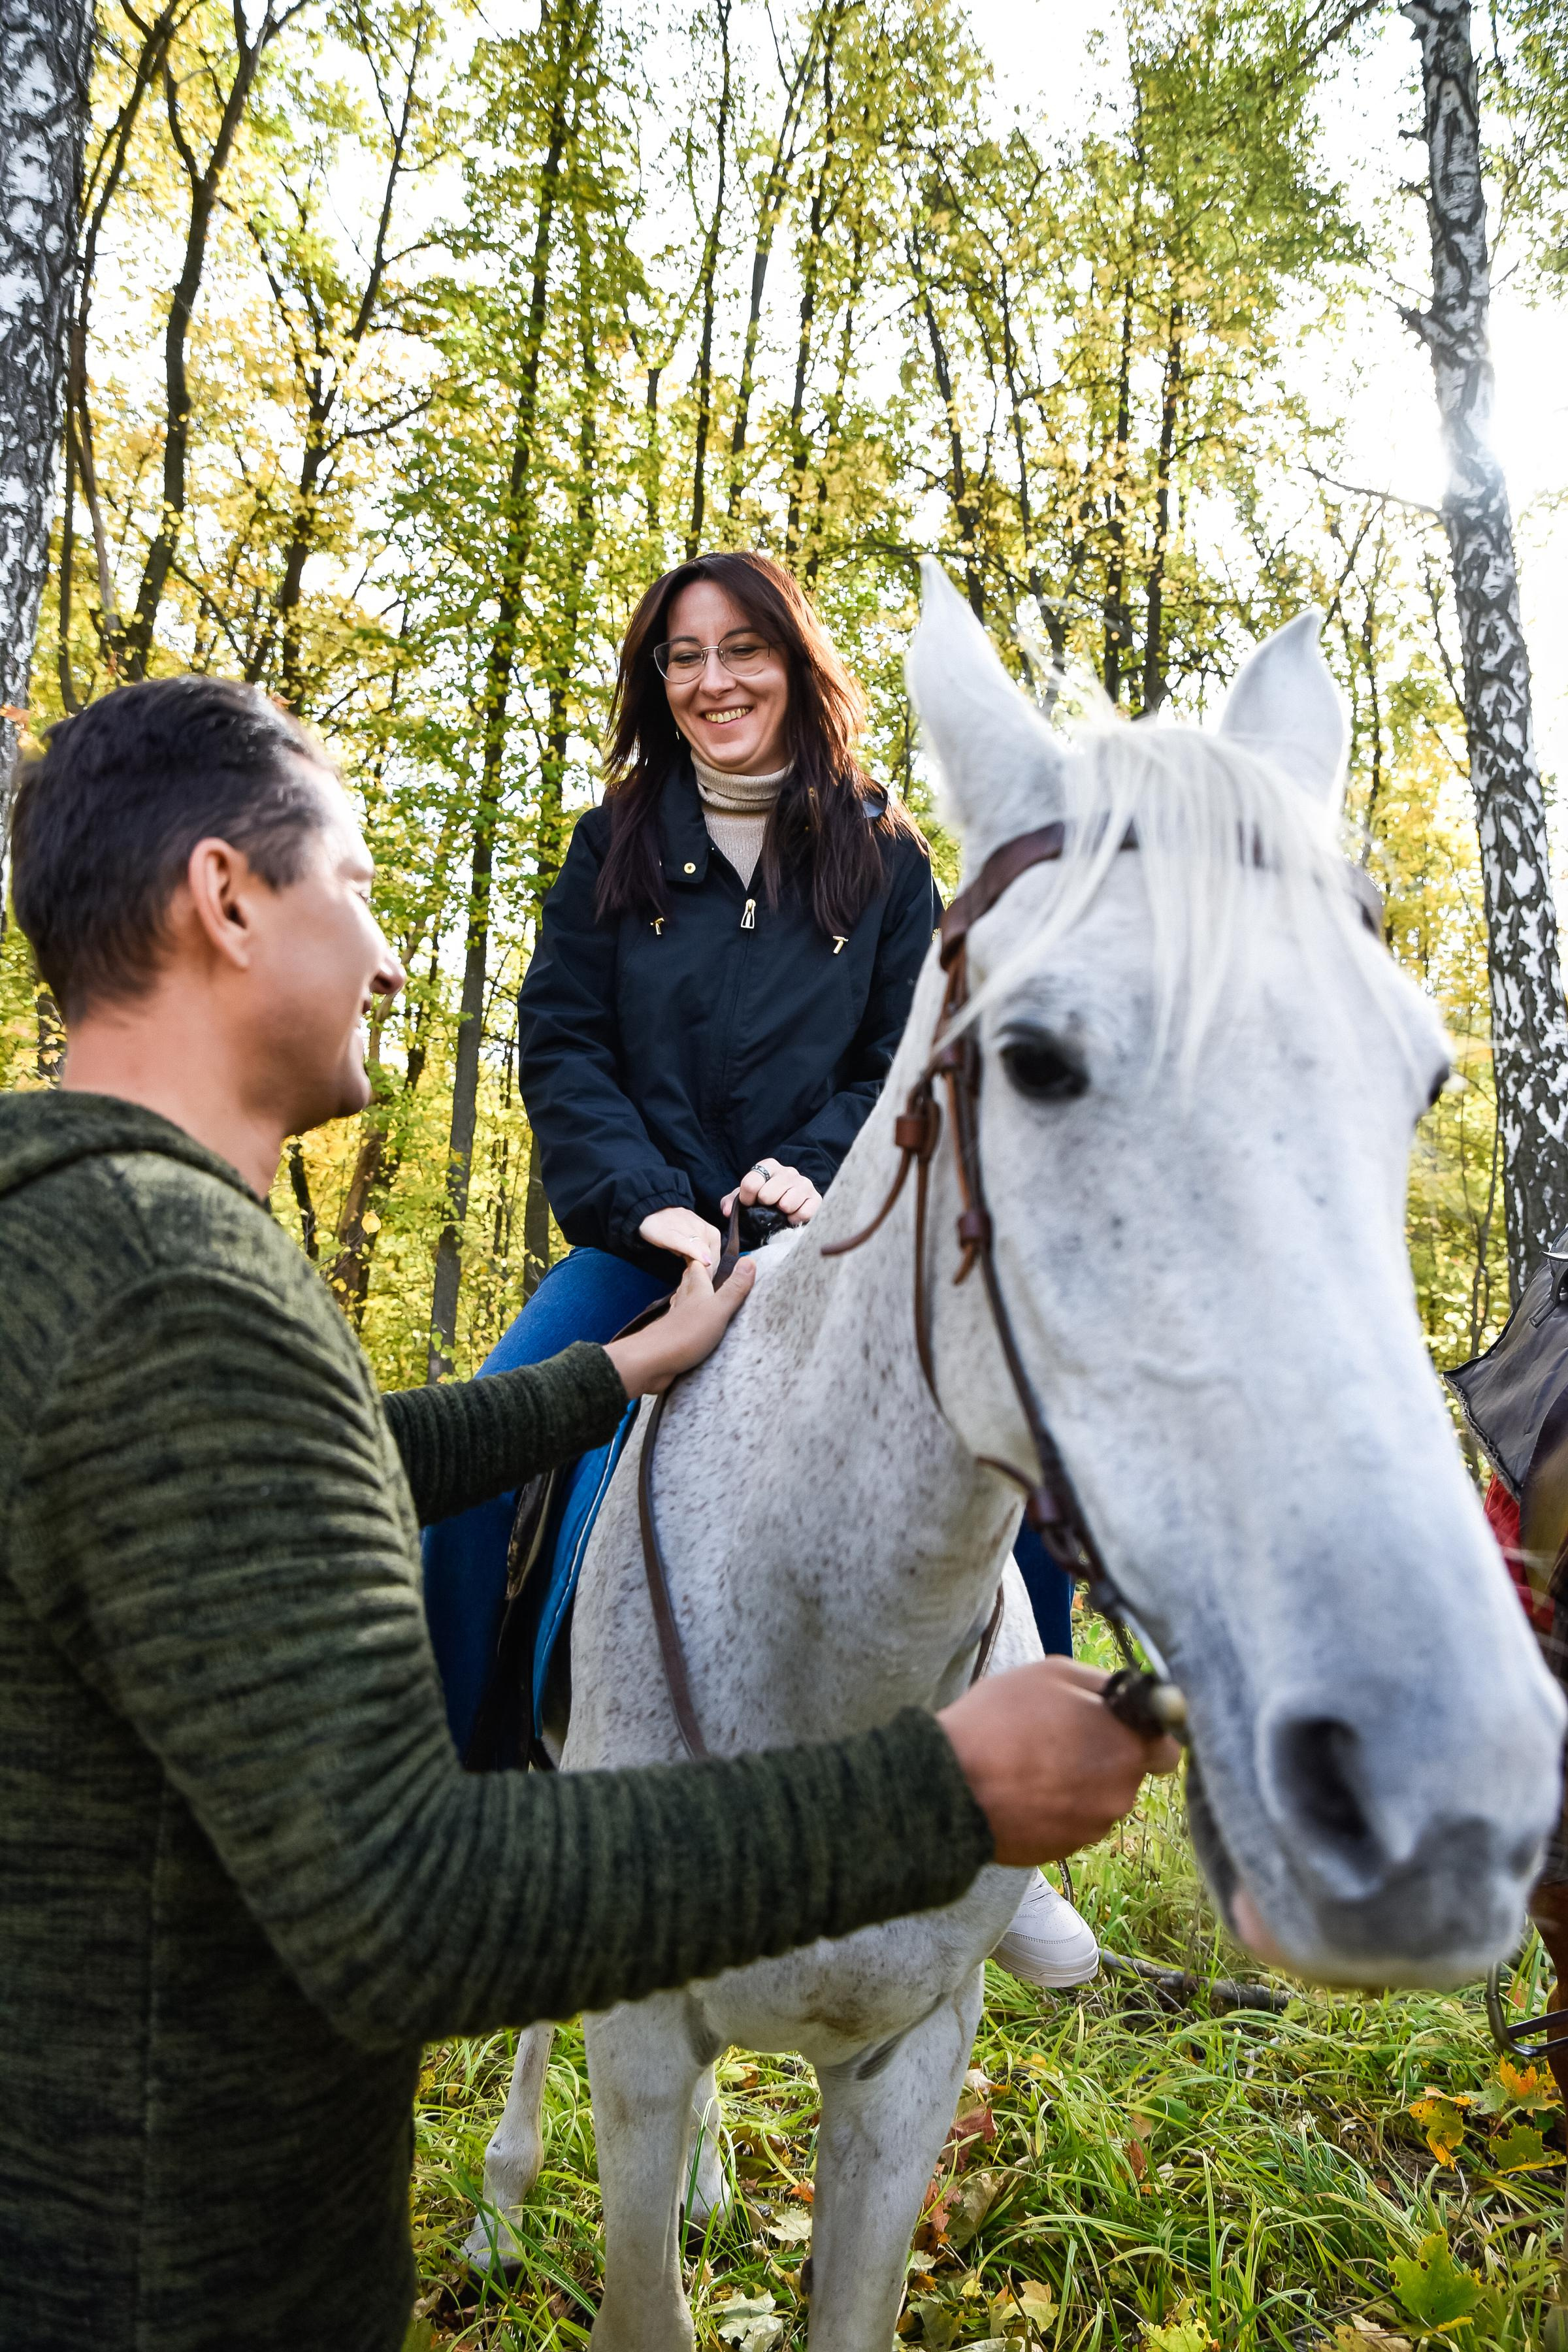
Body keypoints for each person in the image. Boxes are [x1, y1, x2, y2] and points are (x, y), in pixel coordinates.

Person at [0, 677, 1177, 2352]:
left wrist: (608, 1383)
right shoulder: (176, 1300)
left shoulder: (89, 1242)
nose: (394, 954)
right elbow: (411, 1910)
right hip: (162, 2281)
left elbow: (324, 1456)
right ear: (227, 898)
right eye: (355, 885)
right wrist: (940, 1791)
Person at [422, 549, 1091, 1989]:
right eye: (683, 657)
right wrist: (653, 1209)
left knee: (1012, 1452)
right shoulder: (608, 852)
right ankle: (463, 1805)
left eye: (741, 650)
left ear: (794, 663)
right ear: (656, 684)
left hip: (834, 1241)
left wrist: (817, 1169)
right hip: (643, 1244)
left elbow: (898, 1058)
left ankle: (1009, 1846)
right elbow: (564, 1050)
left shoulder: (889, 857)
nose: (713, 680)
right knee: (482, 1441)